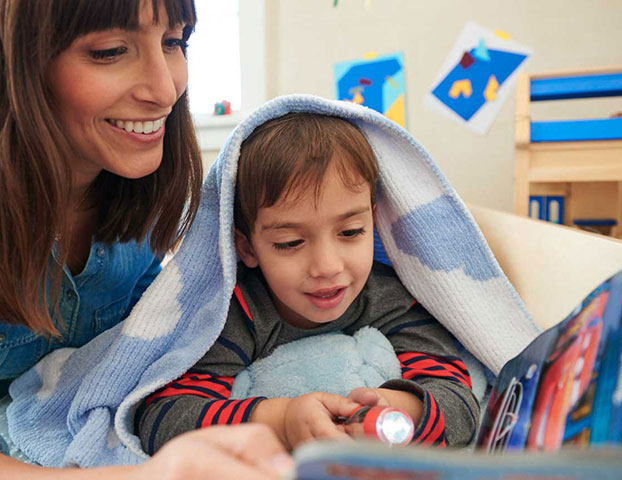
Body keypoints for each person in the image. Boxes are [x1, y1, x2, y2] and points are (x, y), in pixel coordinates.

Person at [0, 0, 291, 479]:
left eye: (174, 42)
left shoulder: (135, 170)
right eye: (110, 51)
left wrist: (284, 417)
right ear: (8, 61)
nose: (165, 90)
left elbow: (149, 351)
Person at [136, 113, 481, 454]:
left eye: (350, 232)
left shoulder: (390, 297)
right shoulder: (235, 312)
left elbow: (460, 402)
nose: (327, 267)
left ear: (373, 223)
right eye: (289, 243)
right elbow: (163, 418)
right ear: (247, 247)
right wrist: (281, 420)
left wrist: (392, 409)